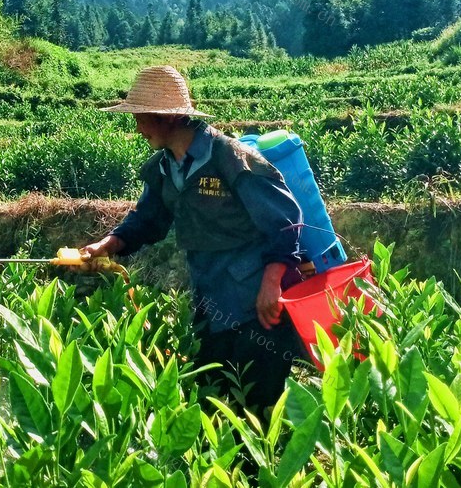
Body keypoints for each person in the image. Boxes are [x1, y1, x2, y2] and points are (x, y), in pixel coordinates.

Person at [80, 65, 306, 411]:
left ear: (168, 117)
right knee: (210, 401)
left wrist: (272, 282)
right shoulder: (164, 167)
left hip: (256, 303)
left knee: (258, 407)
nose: (137, 128)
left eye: (141, 117)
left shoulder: (230, 157)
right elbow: (147, 219)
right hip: (210, 298)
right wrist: (108, 245)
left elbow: (286, 219)